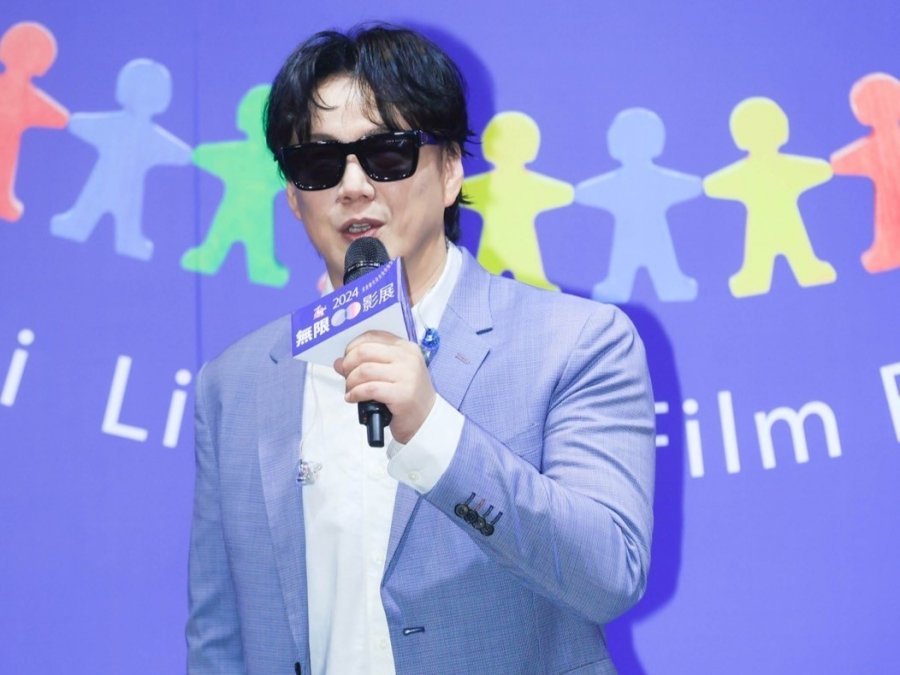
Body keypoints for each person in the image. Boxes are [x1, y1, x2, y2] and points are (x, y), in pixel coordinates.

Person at [187, 24, 655, 675]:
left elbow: (608, 574)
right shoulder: (233, 384)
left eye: (387, 153)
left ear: (450, 170)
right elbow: (219, 637)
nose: (354, 186)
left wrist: (433, 431)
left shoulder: (577, 343)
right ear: (293, 196)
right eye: (319, 163)